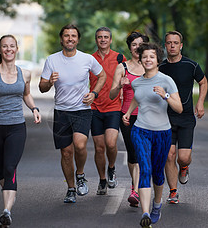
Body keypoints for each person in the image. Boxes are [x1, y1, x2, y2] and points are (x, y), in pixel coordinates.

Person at [0, 35, 41, 228]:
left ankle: (6, 212)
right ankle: (10, 192)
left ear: (17, 49)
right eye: (5, 46)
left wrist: (34, 109)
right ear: (1, 49)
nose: (9, 49)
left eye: (12, 46)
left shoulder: (26, 74)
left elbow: (26, 94)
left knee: (10, 168)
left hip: (16, 127)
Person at [39, 24, 106, 204]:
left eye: (73, 36)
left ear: (78, 39)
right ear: (61, 39)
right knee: (66, 153)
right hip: (61, 111)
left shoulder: (87, 59)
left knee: (80, 145)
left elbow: (102, 76)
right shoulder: (52, 60)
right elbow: (42, 87)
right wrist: (50, 82)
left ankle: (81, 174)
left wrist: (94, 93)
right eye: (67, 36)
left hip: (82, 110)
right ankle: (70, 188)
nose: (70, 38)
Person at [122, 43, 183, 228]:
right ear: (140, 59)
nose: (148, 59)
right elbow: (137, 97)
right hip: (140, 130)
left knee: (157, 173)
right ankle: (145, 213)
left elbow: (179, 108)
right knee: (145, 169)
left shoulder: (166, 80)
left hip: (162, 133)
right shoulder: (136, 82)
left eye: (152, 56)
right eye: (145, 56)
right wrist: (128, 112)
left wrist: (165, 96)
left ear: (158, 60)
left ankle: (157, 205)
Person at [159, 31, 208, 204]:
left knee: (183, 157)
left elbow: (203, 82)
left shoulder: (191, 65)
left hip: (186, 117)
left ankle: (184, 167)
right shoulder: (160, 68)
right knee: (169, 155)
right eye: (169, 43)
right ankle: (173, 192)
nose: (172, 46)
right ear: (165, 46)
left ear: (181, 46)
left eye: (175, 43)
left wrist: (200, 103)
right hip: (166, 118)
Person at [109, 31, 149, 207]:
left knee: (145, 153)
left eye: (140, 44)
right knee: (133, 154)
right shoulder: (122, 68)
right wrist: (120, 85)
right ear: (130, 48)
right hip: (127, 116)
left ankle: (139, 189)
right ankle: (136, 187)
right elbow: (112, 95)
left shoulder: (151, 65)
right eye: (134, 45)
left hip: (149, 116)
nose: (137, 48)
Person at [89, 27, 126, 195]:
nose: (103, 40)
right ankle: (102, 180)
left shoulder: (119, 58)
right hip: (94, 107)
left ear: (110, 40)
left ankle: (111, 168)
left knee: (111, 143)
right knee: (99, 148)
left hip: (113, 107)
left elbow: (127, 80)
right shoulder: (89, 59)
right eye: (99, 37)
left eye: (105, 37)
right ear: (96, 40)